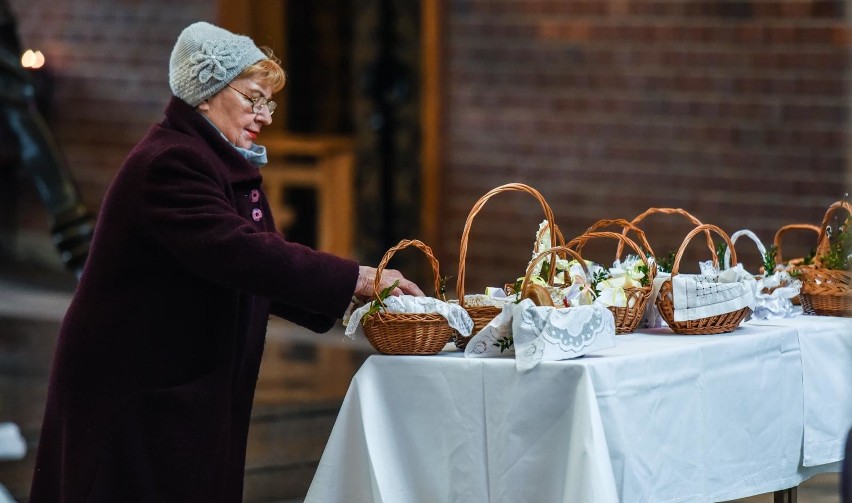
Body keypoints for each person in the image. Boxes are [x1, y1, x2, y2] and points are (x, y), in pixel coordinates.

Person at [28, 21, 423, 502]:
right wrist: (355, 278)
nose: (265, 116)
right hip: (134, 386)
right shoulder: (171, 163)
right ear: (206, 93)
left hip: (180, 380)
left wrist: (357, 304)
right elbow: (243, 253)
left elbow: (261, 270)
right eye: (253, 98)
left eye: (268, 102)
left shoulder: (220, 162)